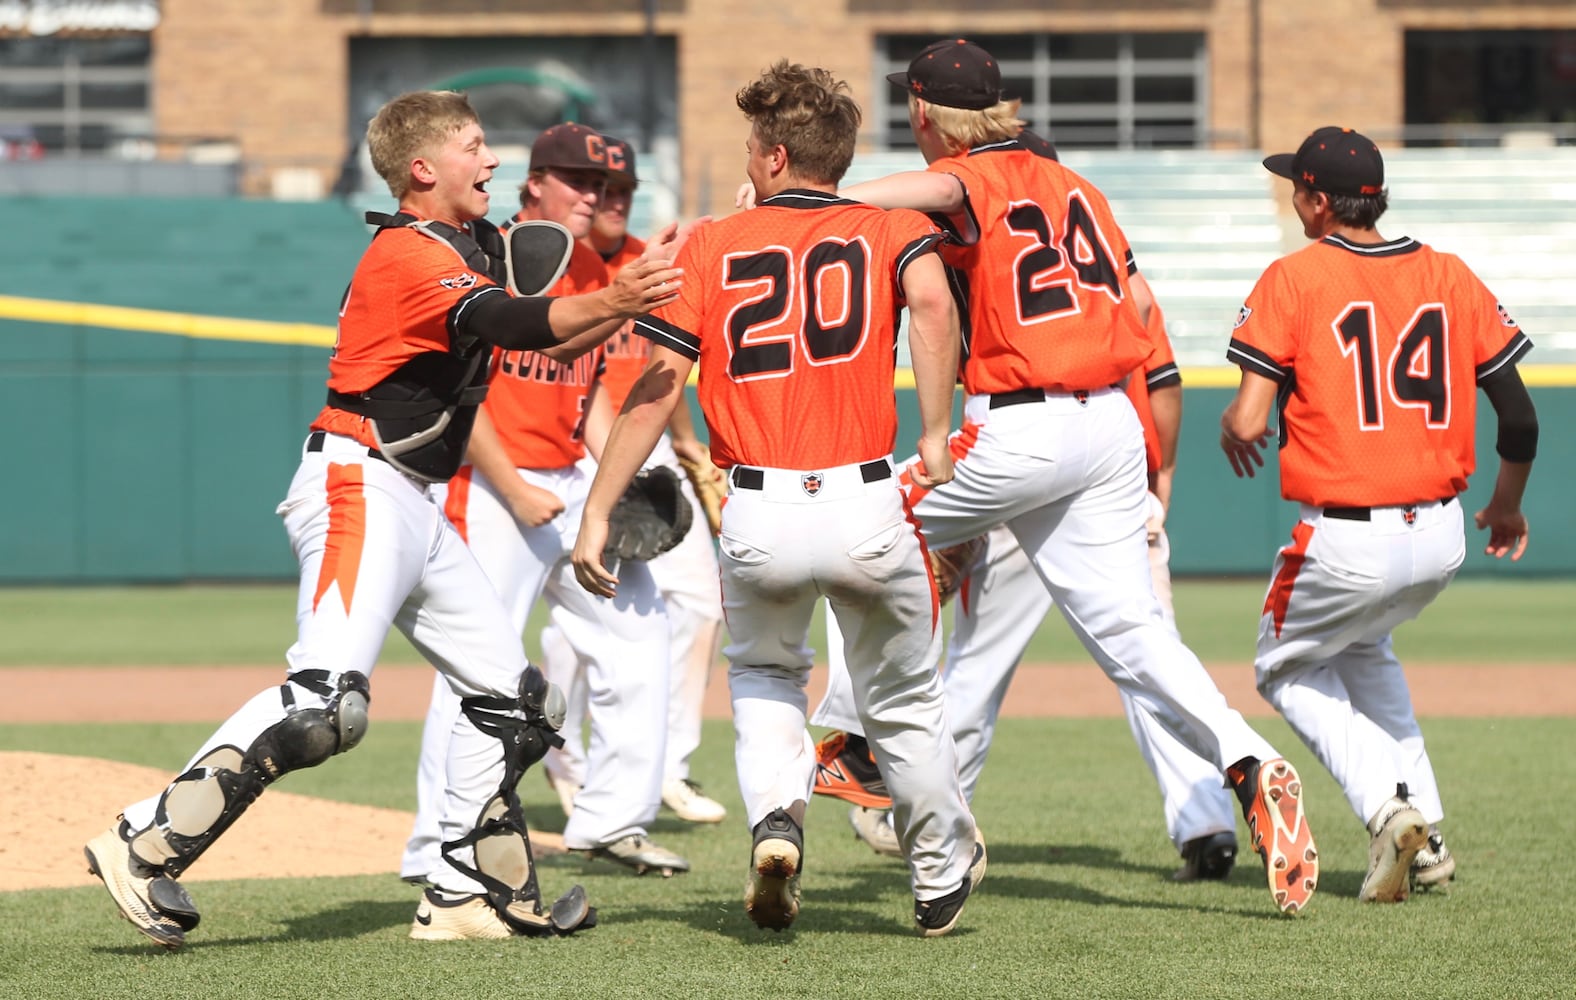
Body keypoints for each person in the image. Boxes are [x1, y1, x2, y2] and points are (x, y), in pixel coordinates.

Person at [82, 89, 684, 948]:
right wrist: (616, 298)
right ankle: (143, 845)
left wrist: (626, 286)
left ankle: (464, 896)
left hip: (414, 499)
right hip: (357, 485)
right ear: (423, 168)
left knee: (513, 703)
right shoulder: (406, 253)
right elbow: (510, 318)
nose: (493, 162)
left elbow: (538, 341)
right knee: (325, 707)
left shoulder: (465, 244)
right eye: (476, 147)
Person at [816, 37, 1320, 915]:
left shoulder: (975, 174)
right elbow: (1137, 308)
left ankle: (856, 741)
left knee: (845, 524)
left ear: (925, 113)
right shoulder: (1080, 188)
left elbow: (941, 191)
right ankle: (1249, 759)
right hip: (1109, 426)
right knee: (1133, 632)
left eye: (912, 106)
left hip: (1024, 423)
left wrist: (817, 202)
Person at [571, 60, 986, 937]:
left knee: (765, 675)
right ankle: (938, 874)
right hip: (866, 498)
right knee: (903, 700)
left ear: (774, 156)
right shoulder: (890, 224)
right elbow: (934, 303)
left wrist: (600, 509)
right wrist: (937, 430)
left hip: (757, 507)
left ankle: (775, 820)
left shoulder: (713, 243)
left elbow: (656, 385)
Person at [814, 302, 1241, 883]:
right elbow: (1163, 381)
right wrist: (1159, 480)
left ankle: (912, 803)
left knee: (975, 669)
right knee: (1150, 659)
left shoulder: (992, 264)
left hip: (1017, 468)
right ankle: (1208, 824)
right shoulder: (1107, 275)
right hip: (1114, 477)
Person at [1221, 125, 1537, 901]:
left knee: (1284, 668)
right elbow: (1522, 419)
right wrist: (1505, 506)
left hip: (1349, 534)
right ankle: (1426, 841)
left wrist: (1232, 427)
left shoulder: (1294, 277)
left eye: (1296, 186)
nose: (1291, 198)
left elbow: (1250, 420)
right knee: (1366, 654)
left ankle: (1386, 809)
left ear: (1320, 200)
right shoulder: (1450, 274)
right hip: (1440, 531)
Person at [400, 123, 690, 884]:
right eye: (577, 181)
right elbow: (457, 395)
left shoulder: (597, 267)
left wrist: (610, 482)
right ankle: (436, 843)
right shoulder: (484, 256)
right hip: (493, 489)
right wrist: (515, 485)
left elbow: (586, 390)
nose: (593, 196)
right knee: (474, 663)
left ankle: (611, 822)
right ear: (534, 184)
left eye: (604, 186)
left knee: (638, 630)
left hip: (565, 487)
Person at [539, 135, 729, 825]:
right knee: (573, 632)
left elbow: (666, 368)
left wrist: (688, 447)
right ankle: (565, 761)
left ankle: (668, 765)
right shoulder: (571, 263)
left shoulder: (651, 263)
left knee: (700, 607)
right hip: (584, 448)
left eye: (621, 190)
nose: (610, 200)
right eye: (599, 188)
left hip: (647, 452)